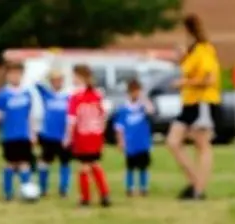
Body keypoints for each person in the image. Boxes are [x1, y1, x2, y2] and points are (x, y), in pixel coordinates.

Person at [167, 13, 221, 201]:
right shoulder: (192, 52)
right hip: (189, 103)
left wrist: (184, 83)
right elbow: (189, 68)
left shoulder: (204, 49)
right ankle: (195, 182)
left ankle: (198, 190)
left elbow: (210, 79)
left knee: (202, 145)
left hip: (203, 102)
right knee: (173, 142)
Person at [66, 64, 111, 208]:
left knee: (84, 167)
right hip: (95, 136)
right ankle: (104, 195)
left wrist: (68, 137)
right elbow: (103, 117)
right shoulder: (97, 95)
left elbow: (72, 120)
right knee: (95, 164)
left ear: (80, 78)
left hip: (83, 136)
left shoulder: (76, 97)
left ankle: (85, 198)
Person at [0, 61, 37, 202]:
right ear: (8, 76)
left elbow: (30, 115)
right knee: (10, 163)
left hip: (23, 134)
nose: (15, 77)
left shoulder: (27, 93)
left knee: (24, 163)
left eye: (18, 74)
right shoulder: (3, 94)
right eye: (12, 74)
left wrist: (32, 132)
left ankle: (26, 191)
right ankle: (8, 193)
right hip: (9, 135)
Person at [115, 79, 155, 197]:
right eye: (133, 92)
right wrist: (120, 141)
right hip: (130, 143)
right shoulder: (124, 109)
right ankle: (130, 187)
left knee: (143, 167)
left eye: (137, 91)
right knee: (130, 167)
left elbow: (151, 111)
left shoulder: (143, 107)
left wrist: (143, 98)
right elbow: (119, 127)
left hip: (143, 143)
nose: (135, 94)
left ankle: (144, 187)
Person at [35, 69, 72, 198]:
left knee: (65, 162)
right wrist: (47, 73)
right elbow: (37, 83)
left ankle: (64, 189)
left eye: (59, 80)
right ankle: (43, 187)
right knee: (44, 162)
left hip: (63, 136)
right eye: (54, 80)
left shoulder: (68, 97)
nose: (57, 83)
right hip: (48, 136)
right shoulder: (47, 94)